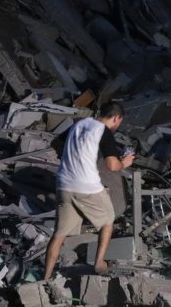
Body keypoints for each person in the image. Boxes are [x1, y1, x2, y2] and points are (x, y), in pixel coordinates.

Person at [43, 101, 135, 280]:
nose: (117, 126)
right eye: (119, 122)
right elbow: (112, 165)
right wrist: (125, 162)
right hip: (87, 186)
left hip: (64, 184)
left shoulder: (79, 124)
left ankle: (45, 278)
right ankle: (99, 263)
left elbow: (56, 143)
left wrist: (73, 156)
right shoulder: (104, 132)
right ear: (116, 118)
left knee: (59, 234)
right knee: (108, 220)